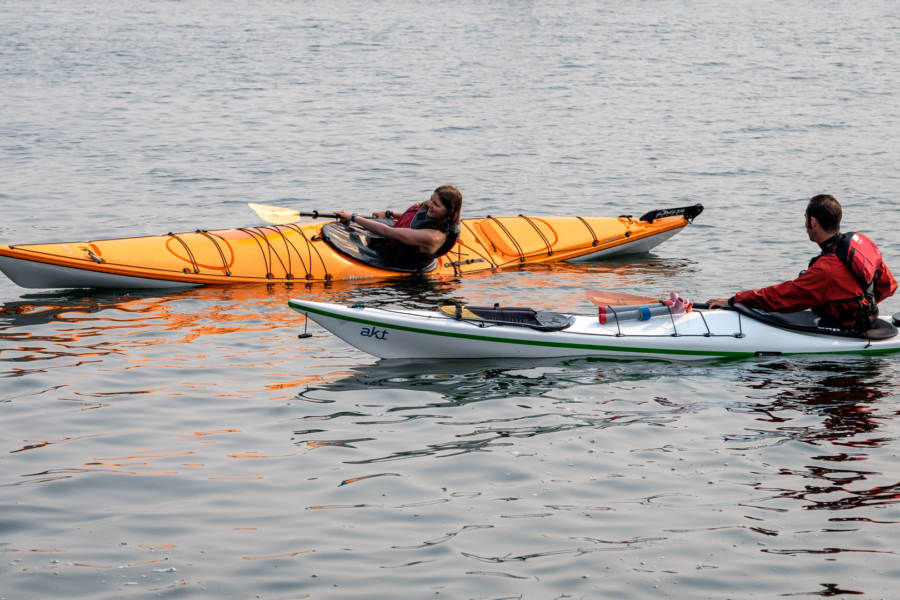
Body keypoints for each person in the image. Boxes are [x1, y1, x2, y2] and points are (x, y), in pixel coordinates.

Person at [708, 194, 896, 331]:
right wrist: (862, 304)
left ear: (812, 222)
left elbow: (783, 297)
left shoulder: (827, 269)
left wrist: (735, 299)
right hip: (868, 320)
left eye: (805, 219)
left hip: (847, 332)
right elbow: (888, 285)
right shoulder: (863, 243)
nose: (805, 224)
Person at [334, 185, 463, 269]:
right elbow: (416, 219)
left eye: (436, 204)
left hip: (401, 260)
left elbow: (387, 231)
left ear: (449, 211)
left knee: (367, 234)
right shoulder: (440, 218)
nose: (430, 204)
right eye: (431, 199)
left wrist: (353, 217)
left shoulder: (432, 237)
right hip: (402, 242)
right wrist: (389, 214)